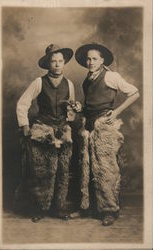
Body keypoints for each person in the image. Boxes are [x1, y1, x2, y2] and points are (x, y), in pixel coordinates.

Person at [75, 43, 140, 226]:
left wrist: (116, 112)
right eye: (88, 59)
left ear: (102, 60)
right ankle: (87, 207)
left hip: (104, 127)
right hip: (88, 127)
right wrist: (80, 108)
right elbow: (89, 105)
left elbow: (134, 93)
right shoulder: (87, 80)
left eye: (95, 58)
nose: (91, 62)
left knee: (106, 169)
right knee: (87, 168)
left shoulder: (111, 76)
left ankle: (109, 210)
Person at [16, 44, 80, 222]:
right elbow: (22, 104)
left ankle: (58, 207)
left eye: (60, 61)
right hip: (43, 131)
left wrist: (71, 115)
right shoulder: (39, 82)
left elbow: (71, 109)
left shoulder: (70, 84)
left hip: (63, 132)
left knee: (63, 171)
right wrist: (25, 126)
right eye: (54, 61)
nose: (58, 65)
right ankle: (39, 208)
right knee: (43, 171)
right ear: (48, 63)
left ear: (64, 63)